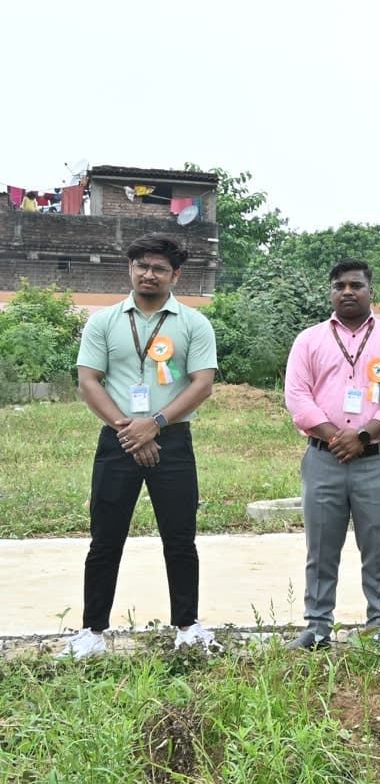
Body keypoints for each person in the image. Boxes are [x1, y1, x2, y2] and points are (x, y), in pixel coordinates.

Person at [61, 235, 219, 657]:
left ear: (176, 275)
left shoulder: (193, 323)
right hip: (118, 440)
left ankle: (187, 626)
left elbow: (202, 384)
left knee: (180, 538)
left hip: (174, 440)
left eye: (160, 268)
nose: (149, 274)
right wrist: (128, 429)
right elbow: (88, 380)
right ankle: (92, 633)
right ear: (129, 269)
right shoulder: (104, 321)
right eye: (142, 266)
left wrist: (157, 423)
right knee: (105, 538)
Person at [283, 259, 380, 649]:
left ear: (370, 290)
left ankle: (379, 624)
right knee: (321, 546)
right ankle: (317, 626)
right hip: (323, 460)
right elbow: (297, 396)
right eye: (339, 285)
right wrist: (335, 436)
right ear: (330, 292)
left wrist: (361, 436)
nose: (347, 292)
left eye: (356, 285)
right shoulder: (309, 340)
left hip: (376, 459)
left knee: (377, 546)